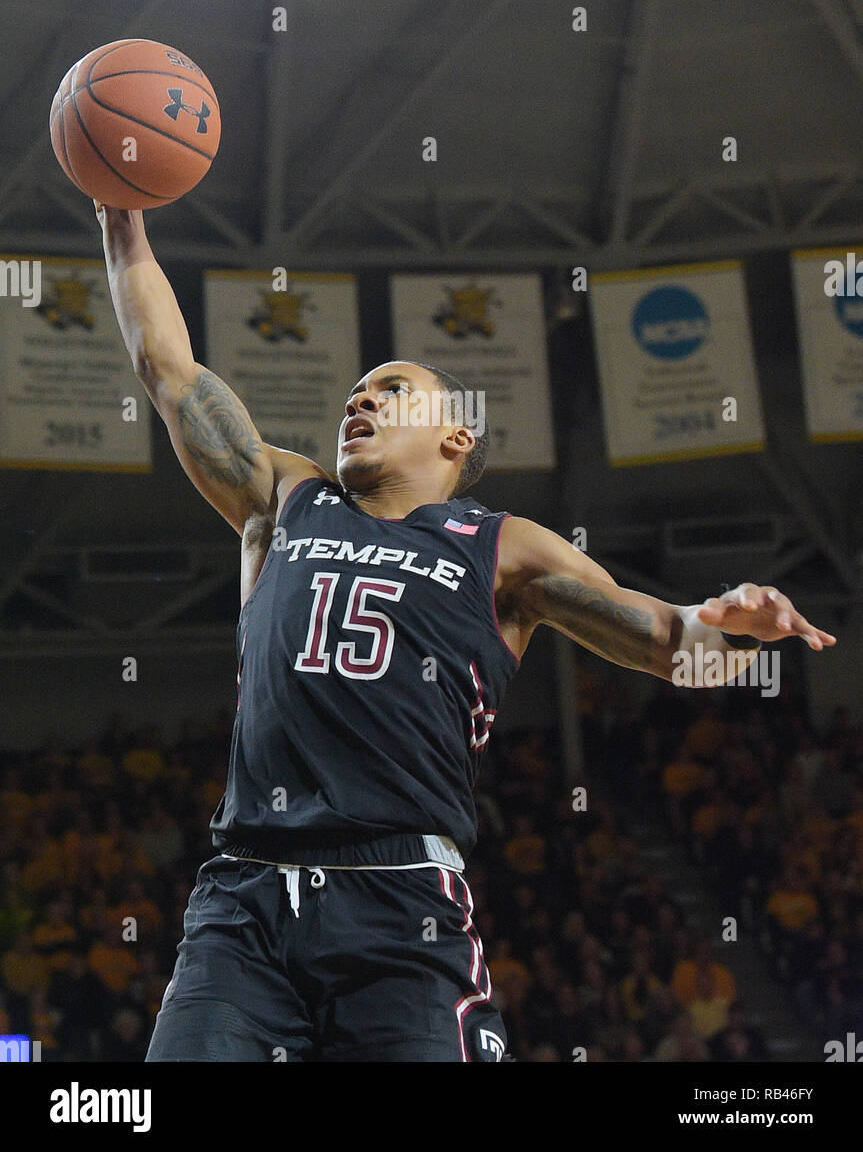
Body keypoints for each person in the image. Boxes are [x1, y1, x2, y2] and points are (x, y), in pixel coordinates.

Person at [95, 201, 836, 1062]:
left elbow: (670, 646)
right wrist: (122, 217)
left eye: (389, 389)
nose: (359, 399)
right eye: (354, 392)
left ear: (454, 437)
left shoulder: (501, 548)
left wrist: (737, 629)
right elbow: (169, 370)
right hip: (243, 901)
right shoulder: (283, 500)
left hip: (400, 902)